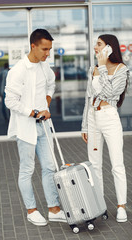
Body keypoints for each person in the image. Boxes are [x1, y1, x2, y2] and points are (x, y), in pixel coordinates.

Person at [5, 29, 66, 226]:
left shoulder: (44, 66)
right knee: (27, 170)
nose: (48, 53)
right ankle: (32, 210)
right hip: (25, 128)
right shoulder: (18, 71)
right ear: (33, 46)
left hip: (44, 126)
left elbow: (51, 86)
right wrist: (33, 112)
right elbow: (10, 101)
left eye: (49, 49)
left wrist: (46, 107)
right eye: (44, 49)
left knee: (49, 167)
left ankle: (54, 209)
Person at [81, 34, 129, 223]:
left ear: (109, 48)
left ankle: (121, 206)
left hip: (109, 118)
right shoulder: (92, 69)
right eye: (95, 44)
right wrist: (84, 125)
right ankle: (99, 205)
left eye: (99, 45)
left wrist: (102, 67)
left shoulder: (121, 69)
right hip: (93, 117)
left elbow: (110, 93)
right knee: (94, 165)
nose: (95, 48)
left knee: (117, 164)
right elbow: (88, 98)